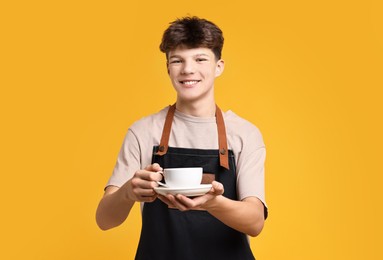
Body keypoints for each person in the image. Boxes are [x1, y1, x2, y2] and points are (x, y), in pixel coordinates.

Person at [96, 16, 268, 260]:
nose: (188, 69)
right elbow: (104, 220)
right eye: (178, 60)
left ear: (218, 66)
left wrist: (212, 203)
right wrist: (127, 193)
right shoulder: (143, 131)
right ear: (168, 68)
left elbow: (255, 221)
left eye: (200, 59)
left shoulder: (244, 134)